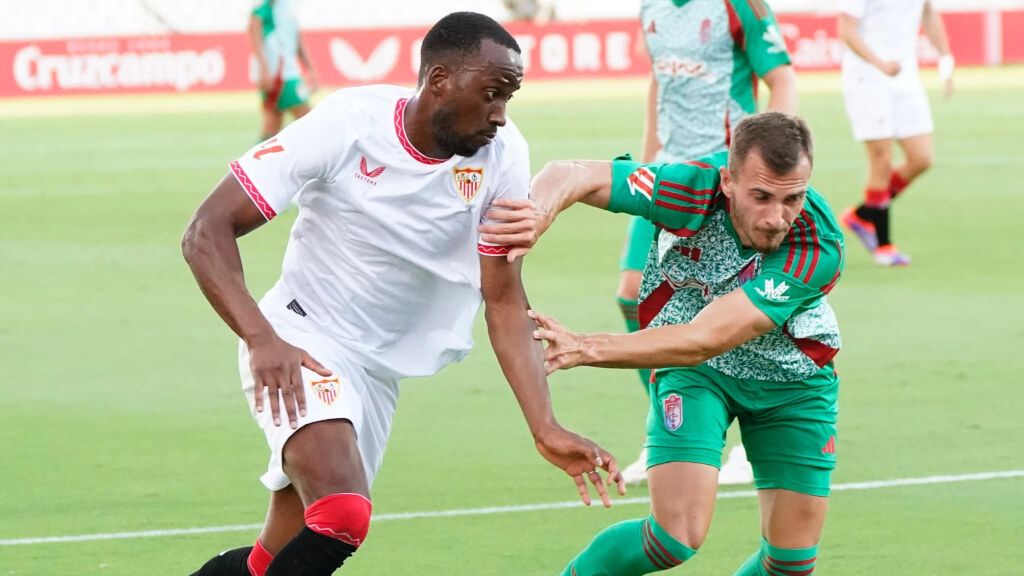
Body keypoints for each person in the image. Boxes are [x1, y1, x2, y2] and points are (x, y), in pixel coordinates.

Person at [182, 12, 623, 576]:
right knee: (342, 514)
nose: (500, 114)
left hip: (379, 372)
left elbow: (505, 299)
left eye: (509, 97)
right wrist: (262, 340)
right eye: (492, 93)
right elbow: (206, 230)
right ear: (439, 79)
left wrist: (544, 425)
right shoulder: (349, 123)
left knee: (275, 558)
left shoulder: (504, 153)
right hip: (303, 339)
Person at [520, 112, 844, 575]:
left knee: (790, 565)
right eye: (761, 197)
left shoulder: (817, 242)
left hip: (791, 382)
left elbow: (706, 337)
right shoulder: (690, 188)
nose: (777, 218)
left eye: (793, 198)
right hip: (698, 375)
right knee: (674, 538)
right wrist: (536, 215)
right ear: (728, 181)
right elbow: (569, 174)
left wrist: (585, 346)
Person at [617, 0, 798, 486]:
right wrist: (650, 156)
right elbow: (660, 79)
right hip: (670, 176)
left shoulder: (740, 7)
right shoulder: (651, 8)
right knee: (634, 295)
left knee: (737, 310)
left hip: (726, 178)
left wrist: (776, 162)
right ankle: (667, 430)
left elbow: (781, 76)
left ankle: (748, 439)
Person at [837, 0, 954, 266]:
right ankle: (883, 244)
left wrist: (946, 59)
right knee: (881, 159)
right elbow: (846, 30)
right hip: (867, 78)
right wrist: (879, 64)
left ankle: (862, 214)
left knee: (921, 158)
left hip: (904, 77)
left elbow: (928, 12)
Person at [249, 0, 319, 141]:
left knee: (273, 123)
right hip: (279, 75)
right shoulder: (266, 7)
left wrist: (310, 68)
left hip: (289, 71)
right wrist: (264, 70)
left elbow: (296, 38)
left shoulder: (290, 6)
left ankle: (256, 162)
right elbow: (254, 33)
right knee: (308, 120)